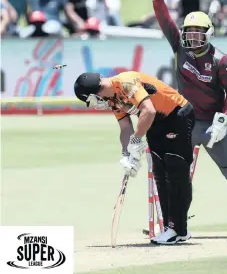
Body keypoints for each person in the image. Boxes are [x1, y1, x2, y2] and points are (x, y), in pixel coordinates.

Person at [139, 0, 227, 238]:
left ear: (209, 34)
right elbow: (164, 20)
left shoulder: (220, 59)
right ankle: (174, 227)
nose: (192, 39)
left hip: (214, 124)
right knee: (176, 174)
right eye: (189, 34)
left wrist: (224, 119)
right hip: (186, 122)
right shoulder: (179, 48)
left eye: (197, 34)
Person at [74, 71, 195, 245]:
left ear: (94, 93)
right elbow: (125, 128)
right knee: (160, 172)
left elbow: (149, 109)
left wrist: (137, 139)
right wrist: (127, 154)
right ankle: (171, 228)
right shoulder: (111, 100)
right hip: (154, 121)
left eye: (90, 101)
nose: (93, 105)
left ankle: (179, 229)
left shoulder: (126, 83)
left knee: (175, 169)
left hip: (177, 114)